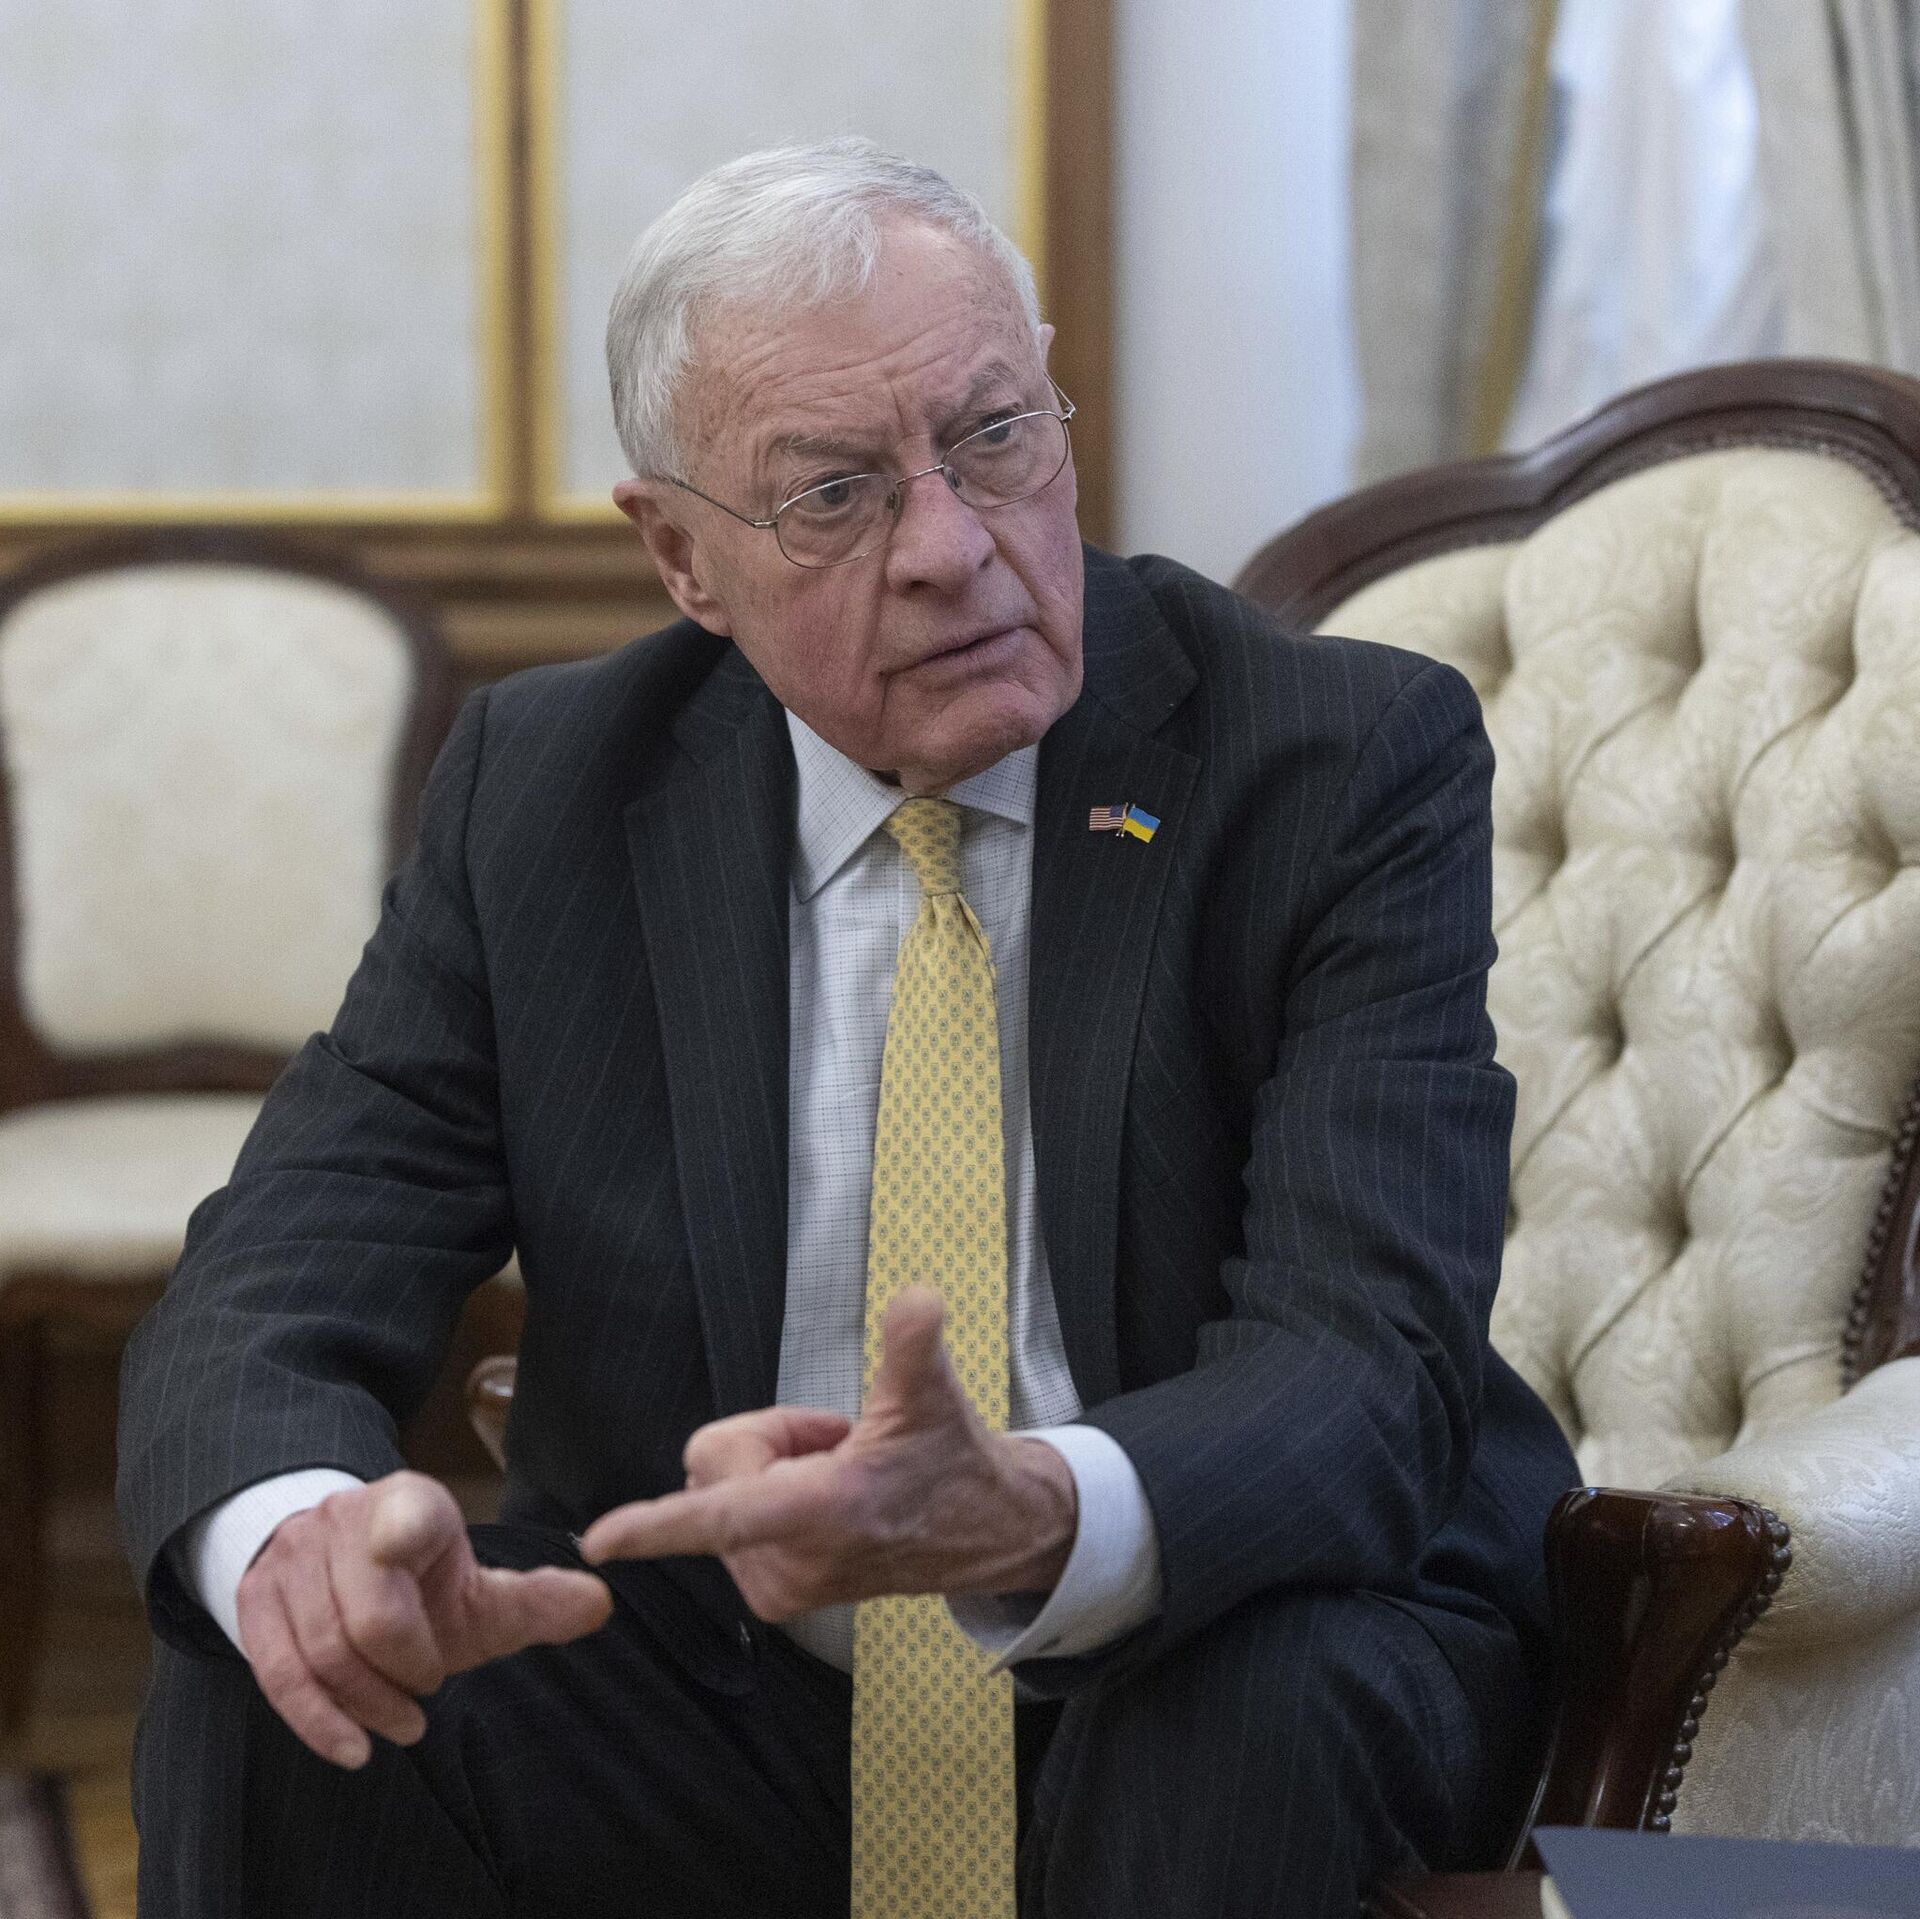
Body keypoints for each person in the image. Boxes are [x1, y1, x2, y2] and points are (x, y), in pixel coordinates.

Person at [117, 138, 1578, 1918]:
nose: (952, 549)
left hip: (1222, 1632)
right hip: (730, 1691)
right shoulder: (550, 793)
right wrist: (305, 1541)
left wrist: (1029, 1507)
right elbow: (277, 1268)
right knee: (290, 1687)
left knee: (1248, 1705)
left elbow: (1367, 1363)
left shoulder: (1335, 761)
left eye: (995, 436)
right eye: (833, 494)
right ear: (681, 556)